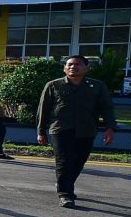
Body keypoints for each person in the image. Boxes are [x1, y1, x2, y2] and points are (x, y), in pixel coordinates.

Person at [37, 55, 117, 208]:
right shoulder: (53, 85)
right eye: (70, 64)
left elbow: (106, 109)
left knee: (79, 161)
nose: (73, 67)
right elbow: (43, 110)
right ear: (64, 68)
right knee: (64, 161)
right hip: (60, 129)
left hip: (86, 130)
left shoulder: (97, 86)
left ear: (87, 68)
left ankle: (65, 183)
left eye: (78, 64)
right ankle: (65, 194)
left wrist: (110, 128)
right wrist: (41, 131)